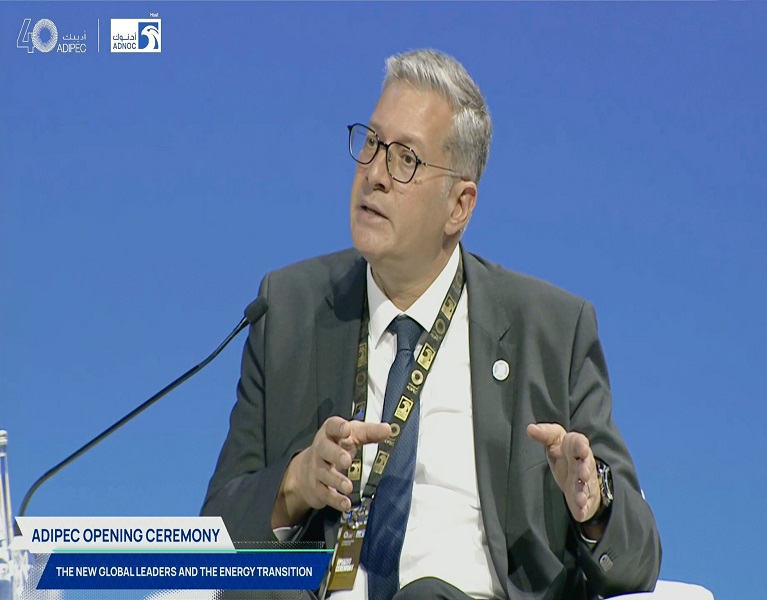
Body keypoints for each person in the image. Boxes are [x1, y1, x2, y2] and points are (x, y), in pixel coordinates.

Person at [202, 49, 661, 600]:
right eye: (371, 143)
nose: (374, 174)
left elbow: (639, 559)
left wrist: (593, 505)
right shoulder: (288, 309)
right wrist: (296, 483)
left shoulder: (551, 332)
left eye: (406, 159)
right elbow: (214, 535)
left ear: (459, 206)